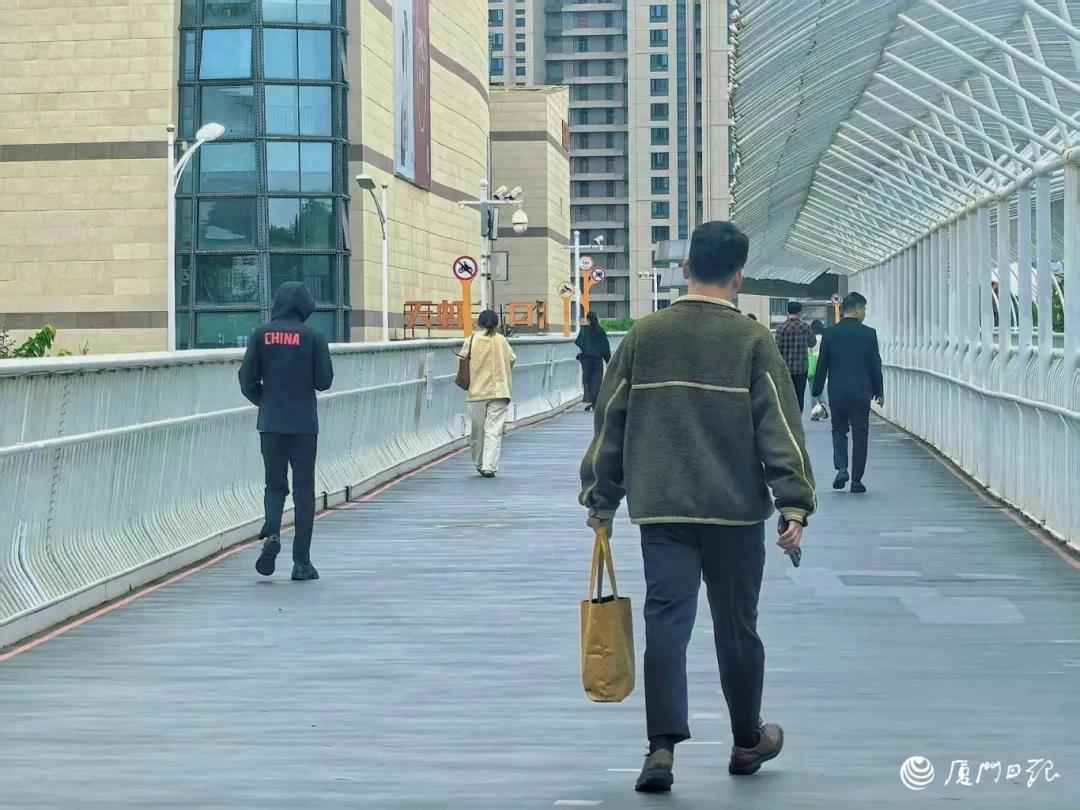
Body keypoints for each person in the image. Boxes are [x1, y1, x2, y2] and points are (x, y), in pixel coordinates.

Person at [579, 221, 816, 794]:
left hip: (662, 509)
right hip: (735, 512)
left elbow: (610, 421)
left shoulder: (645, 336)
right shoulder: (752, 341)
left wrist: (601, 496)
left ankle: (661, 749)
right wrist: (793, 505)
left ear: (685, 270)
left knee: (666, 623)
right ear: (739, 278)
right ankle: (746, 739)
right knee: (737, 627)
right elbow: (780, 428)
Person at [239, 282, 334, 581]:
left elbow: (246, 379)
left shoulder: (260, 335)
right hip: (304, 424)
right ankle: (301, 562)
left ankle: (272, 534)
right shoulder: (314, 337)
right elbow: (324, 381)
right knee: (304, 491)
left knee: (274, 485)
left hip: (271, 423)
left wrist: (264, 401)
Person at [810, 292, 884, 494]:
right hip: (861, 392)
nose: (865, 313)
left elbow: (822, 364)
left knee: (839, 430)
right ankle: (857, 481)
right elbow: (875, 365)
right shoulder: (869, 334)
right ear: (857, 309)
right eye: (864, 309)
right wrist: (879, 391)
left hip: (838, 392)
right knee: (860, 435)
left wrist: (816, 390)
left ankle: (842, 468)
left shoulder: (830, 333)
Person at [459, 310, 516, 478]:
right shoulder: (502, 340)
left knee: (477, 431)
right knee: (494, 430)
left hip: (477, 392)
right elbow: (512, 359)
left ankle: (479, 463)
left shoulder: (471, 340)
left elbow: (462, 359)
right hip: (500, 391)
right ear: (497, 324)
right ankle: (489, 466)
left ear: (479, 323)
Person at [773, 301, 816, 413]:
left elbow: (776, 349)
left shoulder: (781, 328)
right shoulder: (805, 327)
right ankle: (798, 419)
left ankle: (788, 420)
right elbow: (812, 343)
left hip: (785, 370)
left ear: (787, 312)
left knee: (786, 398)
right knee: (799, 397)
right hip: (801, 369)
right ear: (800, 312)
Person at [575, 311, 611, 411]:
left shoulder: (584, 330)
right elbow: (605, 346)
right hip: (597, 360)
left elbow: (579, 342)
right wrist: (608, 360)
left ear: (588, 319)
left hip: (587, 360)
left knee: (588, 380)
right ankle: (595, 402)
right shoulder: (600, 331)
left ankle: (591, 400)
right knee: (597, 380)